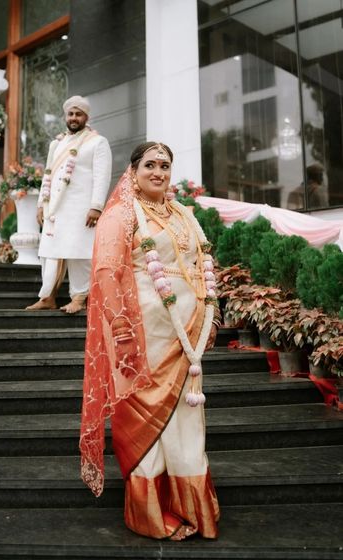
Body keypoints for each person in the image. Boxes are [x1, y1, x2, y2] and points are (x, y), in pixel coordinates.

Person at [80, 142, 221, 540]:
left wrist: (211, 315)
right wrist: (120, 328)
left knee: (187, 419)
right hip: (144, 335)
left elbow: (201, 265)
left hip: (187, 330)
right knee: (146, 419)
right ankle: (152, 514)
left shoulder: (184, 214)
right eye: (150, 165)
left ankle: (190, 507)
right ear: (133, 170)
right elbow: (107, 272)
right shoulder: (121, 215)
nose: (158, 171)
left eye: (165, 165)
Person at [26, 95, 112, 313]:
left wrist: (96, 206)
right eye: (71, 114)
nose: (74, 118)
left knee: (78, 253)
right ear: (66, 116)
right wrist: (40, 204)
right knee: (49, 252)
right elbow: (48, 175)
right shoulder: (57, 143)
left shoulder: (97, 142)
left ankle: (79, 297)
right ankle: (47, 296)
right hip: (54, 208)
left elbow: (103, 176)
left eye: (78, 114)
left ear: (86, 116)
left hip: (81, 209)